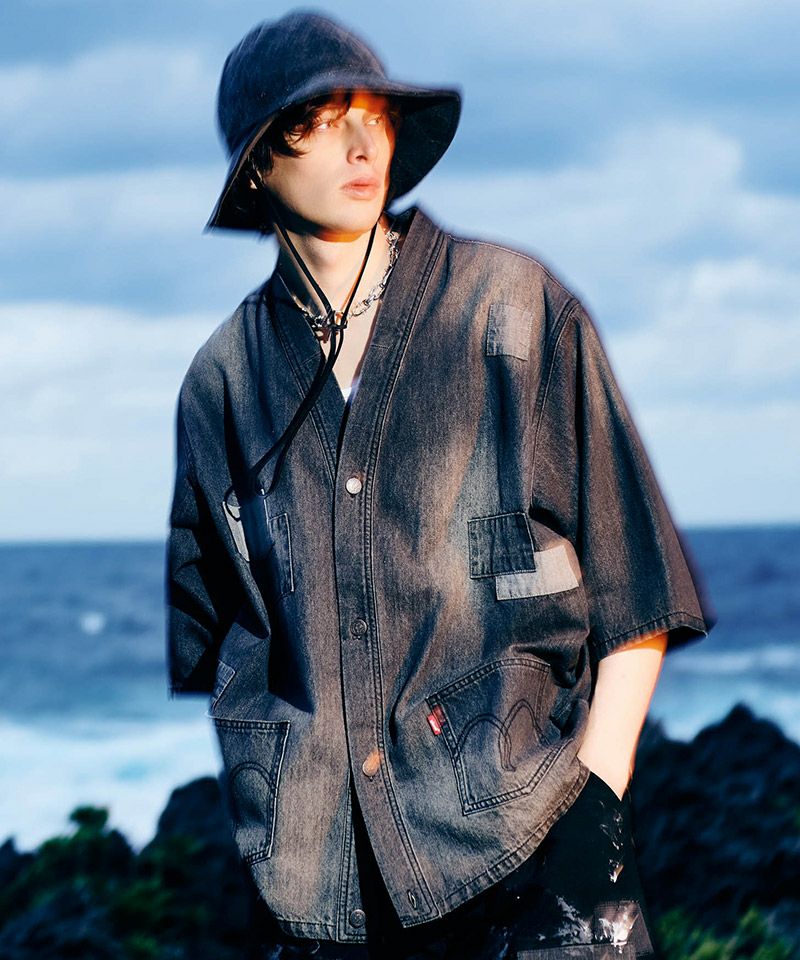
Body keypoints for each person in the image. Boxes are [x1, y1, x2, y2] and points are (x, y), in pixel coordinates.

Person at [165, 11, 715, 960]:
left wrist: (598, 798)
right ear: (257, 166)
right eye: (316, 121)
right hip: (323, 894)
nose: (358, 142)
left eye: (372, 114)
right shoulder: (222, 382)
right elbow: (225, 641)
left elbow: (636, 579)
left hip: (532, 854)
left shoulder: (513, 309)